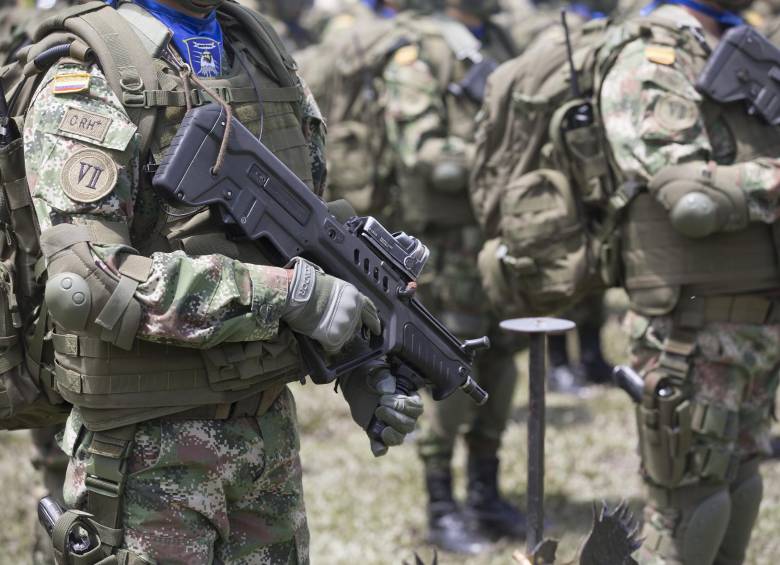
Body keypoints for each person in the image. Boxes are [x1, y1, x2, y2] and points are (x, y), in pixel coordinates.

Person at [20, 0, 423, 562]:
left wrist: (361, 367)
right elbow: (85, 281)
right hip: (146, 455)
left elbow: (308, 240)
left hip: (267, 438)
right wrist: (286, 296)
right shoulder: (89, 77)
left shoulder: (261, 58)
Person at [597, 0, 780, 562]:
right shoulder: (651, 58)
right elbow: (682, 190)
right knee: (690, 505)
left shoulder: (741, 43)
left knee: (741, 483)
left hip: (754, 320)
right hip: (689, 327)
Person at [381, 0, 523, 555]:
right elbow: (423, 152)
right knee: (451, 364)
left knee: (504, 358)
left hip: (499, 234)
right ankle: (442, 504)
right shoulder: (421, 55)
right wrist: (505, 155)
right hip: (446, 242)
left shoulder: (501, 42)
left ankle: (487, 490)